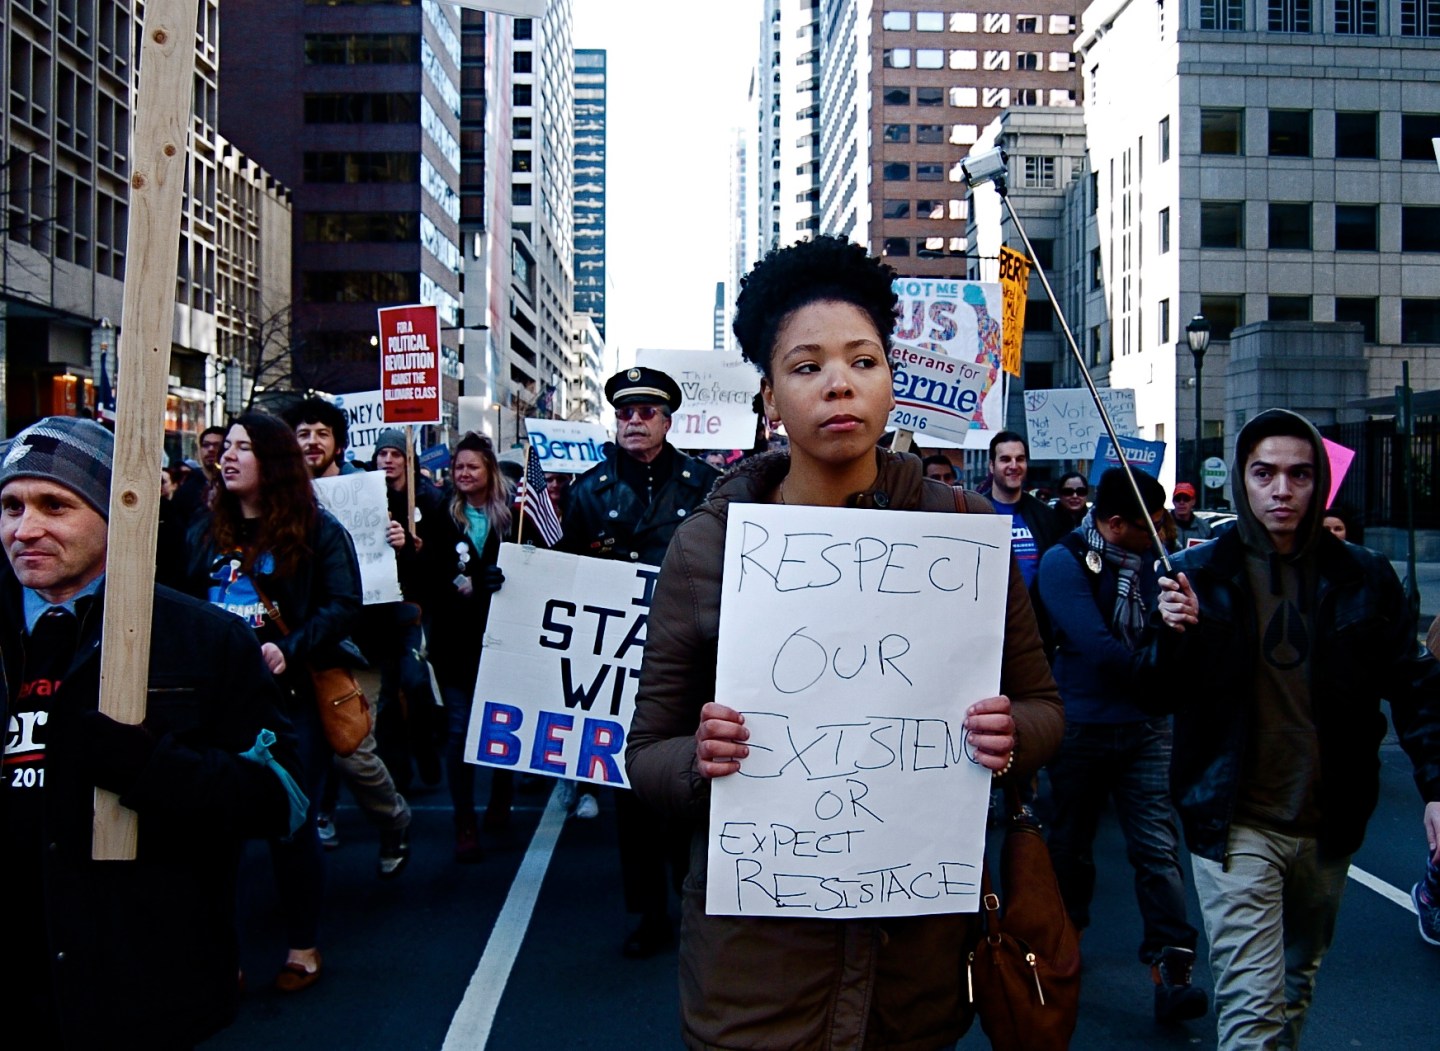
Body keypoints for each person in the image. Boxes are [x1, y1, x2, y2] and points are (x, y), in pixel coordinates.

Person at [625, 235, 1063, 1048]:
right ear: (768, 396)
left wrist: (1011, 736)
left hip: (916, 971)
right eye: (806, 366)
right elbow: (645, 752)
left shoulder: (963, 534)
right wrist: (700, 758)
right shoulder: (708, 545)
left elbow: (1043, 709)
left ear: (891, 383)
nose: (839, 383)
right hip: (757, 973)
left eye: (863, 360)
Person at [1, 417, 304, 1048]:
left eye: (55, 505)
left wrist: (153, 769)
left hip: (144, 984)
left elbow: (283, 799)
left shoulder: (205, 640)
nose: (25, 529)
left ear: (118, 514)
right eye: (10, 506)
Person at [1145, 408, 1440, 1051]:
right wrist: (1173, 633)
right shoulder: (1196, 575)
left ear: (1319, 484)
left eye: (1299, 474)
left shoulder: (1364, 576)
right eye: (1265, 473)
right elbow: (1157, 691)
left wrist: (1437, 787)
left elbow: (1414, 684)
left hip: (1330, 819)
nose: (1282, 490)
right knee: (1252, 1016)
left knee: (1294, 985)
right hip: (1234, 820)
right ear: (1243, 483)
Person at [188, 411, 371, 992]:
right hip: (214, 704)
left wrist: (287, 650)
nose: (230, 456)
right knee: (213, 830)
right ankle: (221, 950)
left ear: (274, 461)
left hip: (287, 703)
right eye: (228, 447)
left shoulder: (317, 530)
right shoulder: (203, 530)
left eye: (245, 447)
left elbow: (344, 602)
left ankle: (302, 945)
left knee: (291, 826)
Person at [558, 366, 721, 958]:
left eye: (645, 412)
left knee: (691, 776)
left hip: (691, 656)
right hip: (615, 665)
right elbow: (563, 571)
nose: (633, 421)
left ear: (666, 420)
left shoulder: (705, 484)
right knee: (631, 789)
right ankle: (650, 912)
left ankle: (694, 892)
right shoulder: (588, 490)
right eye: (624, 412)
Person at [1038, 467, 1208, 1023]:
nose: (1160, 530)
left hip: (1147, 729)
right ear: (1113, 525)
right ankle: (1066, 944)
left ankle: (1173, 966)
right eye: (1148, 523)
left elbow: (1187, 639)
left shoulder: (1162, 563)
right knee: (1069, 844)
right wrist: (1161, 666)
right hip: (1082, 724)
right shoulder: (1064, 562)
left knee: (1158, 848)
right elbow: (1100, 648)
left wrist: (1182, 632)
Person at [282, 404, 413, 863]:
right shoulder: (278, 499)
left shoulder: (369, 491)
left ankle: (393, 818)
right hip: (299, 651)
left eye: (322, 432)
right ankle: (317, 818)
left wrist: (405, 546)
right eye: (303, 432)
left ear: (339, 443)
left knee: (351, 750)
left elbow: (405, 576)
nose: (312, 441)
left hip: (360, 647)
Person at [426, 432, 516, 860]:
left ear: (489, 471)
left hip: (502, 640)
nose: (463, 473)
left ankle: (501, 797)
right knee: (460, 729)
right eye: (458, 467)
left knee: (500, 726)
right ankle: (464, 818)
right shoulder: (438, 515)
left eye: (472, 467)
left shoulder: (514, 517)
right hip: (453, 641)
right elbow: (427, 576)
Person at [368, 427, 447, 791]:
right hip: (380, 609)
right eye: (383, 454)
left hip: (417, 608)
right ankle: (397, 771)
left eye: (395, 454)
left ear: (407, 459)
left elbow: (442, 559)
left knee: (415, 683)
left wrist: (417, 547)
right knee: (383, 696)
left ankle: (427, 753)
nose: (388, 460)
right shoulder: (368, 496)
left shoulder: (429, 499)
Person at [986, 429, 1064, 589]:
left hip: (1033, 612)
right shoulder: (974, 511)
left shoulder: (1046, 517)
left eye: (1020, 459)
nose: (1014, 466)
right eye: (1005, 459)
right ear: (992, 466)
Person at [284, 396, 363, 478]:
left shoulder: (366, 486)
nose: (312, 441)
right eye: (304, 435)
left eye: (322, 434)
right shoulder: (279, 489)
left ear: (338, 446)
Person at [1171, 483, 1213, 547]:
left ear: (1193, 501)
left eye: (1186, 499)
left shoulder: (1204, 528)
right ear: (1173, 502)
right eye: (1178, 499)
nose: (1181, 502)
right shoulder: (1162, 525)